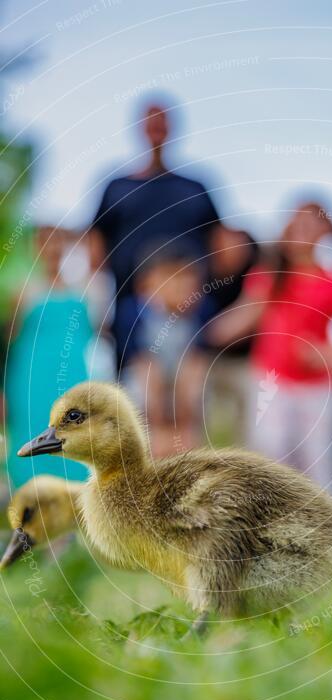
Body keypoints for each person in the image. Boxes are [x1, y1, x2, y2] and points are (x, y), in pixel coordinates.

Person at [210, 200, 332, 499]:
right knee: (270, 448)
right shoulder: (272, 275)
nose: (302, 231)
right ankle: (272, 523)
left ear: (326, 230)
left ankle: (327, 527)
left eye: (311, 224)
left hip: (318, 387)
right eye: (297, 223)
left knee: (317, 457)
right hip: (272, 379)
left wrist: (330, 354)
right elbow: (250, 310)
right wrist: (209, 332)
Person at [89, 99, 219, 373]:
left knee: (187, 389)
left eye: (162, 121)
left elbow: (219, 240)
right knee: (138, 388)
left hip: (189, 310)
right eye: (151, 122)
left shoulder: (195, 188)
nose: (157, 128)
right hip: (130, 308)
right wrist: (97, 298)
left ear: (172, 128)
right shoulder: (117, 187)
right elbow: (95, 242)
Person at [5, 227, 94, 486]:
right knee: (32, 427)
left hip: (73, 372)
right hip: (33, 375)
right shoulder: (23, 291)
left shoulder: (83, 290)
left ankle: (75, 496)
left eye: (57, 244)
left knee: (72, 429)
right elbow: (11, 340)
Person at [127, 239, 206, 455]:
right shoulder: (136, 315)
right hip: (151, 392)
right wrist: (157, 410)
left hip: (182, 392)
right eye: (173, 277)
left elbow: (195, 359)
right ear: (147, 284)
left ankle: (186, 450)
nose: (184, 285)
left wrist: (186, 404)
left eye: (190, 277)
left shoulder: (197, 316)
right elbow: (142, 364)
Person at [187, 226, 258, 446]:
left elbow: (249, 315)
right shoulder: (201, 276)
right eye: (225, 243)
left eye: (238, 245)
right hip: (209, 361)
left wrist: (215, 332)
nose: (231, 249)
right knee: (199, 413)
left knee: (249, 423)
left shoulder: (256, 276)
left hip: (246, 362)